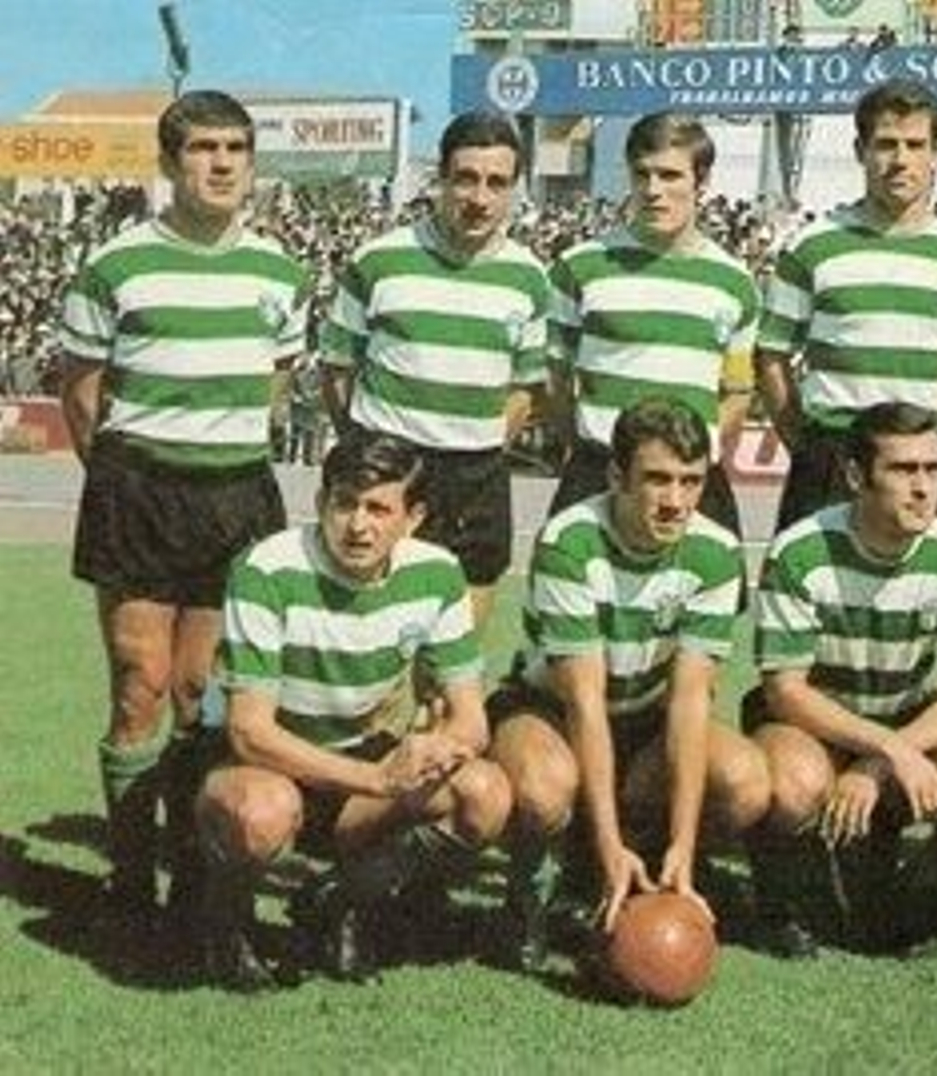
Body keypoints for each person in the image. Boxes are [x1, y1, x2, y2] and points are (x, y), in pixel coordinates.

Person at [55, 89, 309, 925]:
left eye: (236, 148)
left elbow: (274, 385)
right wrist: (132, 473)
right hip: (138, 489)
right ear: (169, 163)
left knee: (201, 691)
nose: (223, 163)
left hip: (235, 493)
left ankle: (195, 879)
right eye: (203, 148)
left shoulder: (280, 271)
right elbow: (84, 395)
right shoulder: (115, 264)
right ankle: (129, 881)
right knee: (141, 684)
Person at [192, 432, 511, 990]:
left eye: (379, 509)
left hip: (358, 761)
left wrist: (434, 748)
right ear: (320, 504)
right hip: (263, 763)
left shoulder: (437, 573)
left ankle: (340, 901)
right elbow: (249, 732)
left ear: (413, 518)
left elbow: (471, 720)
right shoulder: (266, 569)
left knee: (484, 795)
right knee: (260, 813)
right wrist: (378, 778)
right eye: (345, 503)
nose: (358, 525)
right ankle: (226, 923)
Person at [746, 402, 937, 958]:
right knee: (793, 785)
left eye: (933, 470)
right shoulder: (800, 551)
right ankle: (783, 900)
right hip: (813, 716)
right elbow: (784, 689)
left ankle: (908, 890)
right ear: (858, 476)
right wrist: (885, 749)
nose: (923, 488)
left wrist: (886, 757)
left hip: (904, 716)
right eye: (903, 470)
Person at [487, 398, 770, 972]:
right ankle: (537, 895)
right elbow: (583, 704)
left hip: (647, 714)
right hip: (550, 710)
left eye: (691, 482)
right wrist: (608, 842)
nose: (675, 501)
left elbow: (691, 703)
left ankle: (665, 867)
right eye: (658, 480)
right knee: (545, 786)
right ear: (617, 476)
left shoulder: (715, 551)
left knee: (744, 781)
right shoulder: (570, 541)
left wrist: (685, 844)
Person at [321, 109, 550, 630]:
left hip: (477, 478)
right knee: (371, 644)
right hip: (391, 471)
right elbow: (338, 372)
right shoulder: (378, 261)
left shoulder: (530, 277)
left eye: (497, 182)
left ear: (515, 188)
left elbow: (524, 389)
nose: (480, 198)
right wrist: (372, 449)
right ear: (441, 179)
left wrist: (477, 444)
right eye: (466, 178)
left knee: (456, 657)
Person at [755, 80, 937, 533]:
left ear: (935, 153)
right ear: (859, 150)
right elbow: (771, 355)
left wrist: (931, 428)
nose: (900, 159)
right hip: (832, 454)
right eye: (886, 144)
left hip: (926, 457)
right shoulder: (811, 246)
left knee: (932, 596)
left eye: (914, 145)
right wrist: (808, 445)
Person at [542, 112, 759, 536]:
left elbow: (737, 392)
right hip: (599, 472)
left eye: (670, 175)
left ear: (702, 181)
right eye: (642, 174)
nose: (654, 190)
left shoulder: (736, 282)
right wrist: (592, 449)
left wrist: (698, 456)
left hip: (692, 480)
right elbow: (555, 379)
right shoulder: (580, 267)